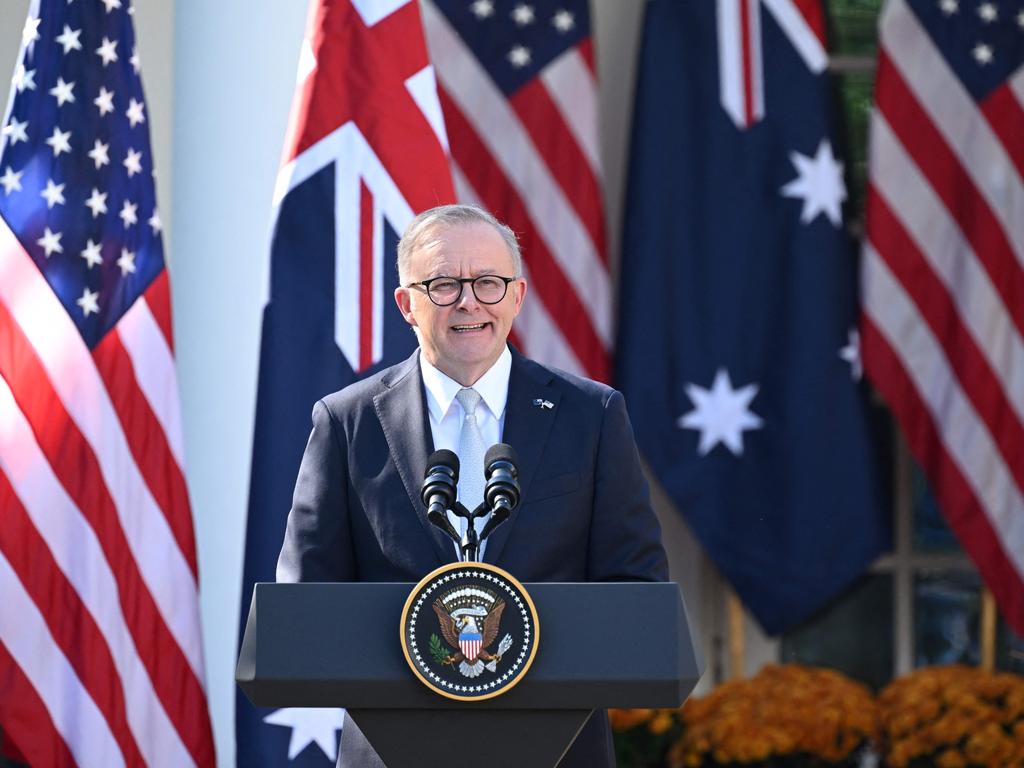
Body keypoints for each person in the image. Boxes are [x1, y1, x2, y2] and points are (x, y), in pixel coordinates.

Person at [277, 204, 668, 767]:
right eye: (443, 284)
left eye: (488, 282)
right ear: (406, 304)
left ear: (517, 295)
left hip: (560, 751)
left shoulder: (592, 415)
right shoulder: (347, 422)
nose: (469, 301)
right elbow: (306, 598)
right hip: (395, 752)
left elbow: (635, 585)